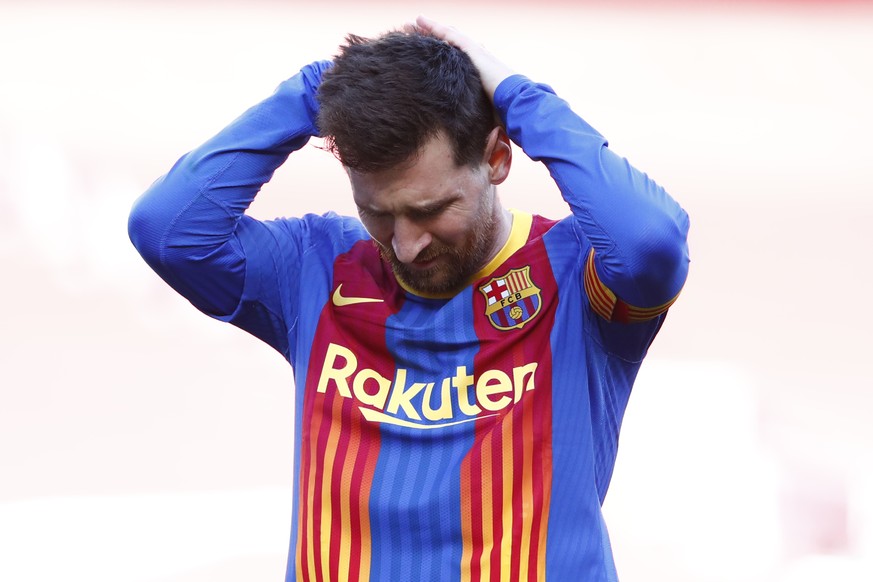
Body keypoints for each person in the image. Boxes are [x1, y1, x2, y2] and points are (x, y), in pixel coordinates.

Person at [128, 16, 690, 582]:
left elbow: (649, 240)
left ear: (497, 158)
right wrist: (317, 90)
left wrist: (517, 97)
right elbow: (168, 230)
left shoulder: (574, 275)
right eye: (378, 212)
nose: (406, 243)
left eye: (430, 209)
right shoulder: (316, 268)